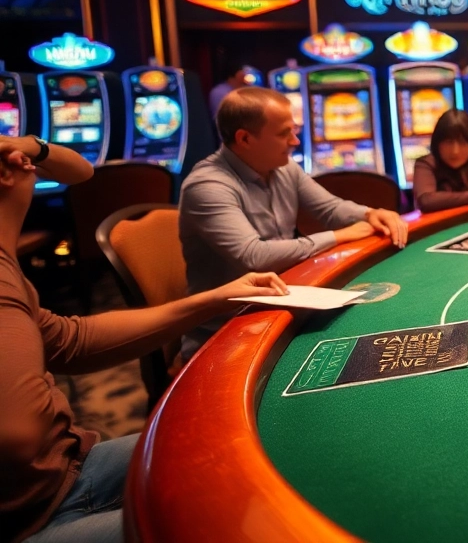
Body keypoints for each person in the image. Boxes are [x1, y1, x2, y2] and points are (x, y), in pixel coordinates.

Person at [0, 133, 289, 543]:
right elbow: (17, 435)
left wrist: (215, 299)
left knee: (267, 447)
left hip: (66, 469)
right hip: (26, 519)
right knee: (245, 528)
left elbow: (68, 341)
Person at [178, 87, 407, 360]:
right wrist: (338, 236)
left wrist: (370, 213)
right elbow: (254, 257)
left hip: (285, 305)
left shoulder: (284, 167)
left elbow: (330, 208)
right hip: (225, 331)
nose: (296, 141)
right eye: (284, 133)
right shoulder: (208, 185)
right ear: (245, 138)